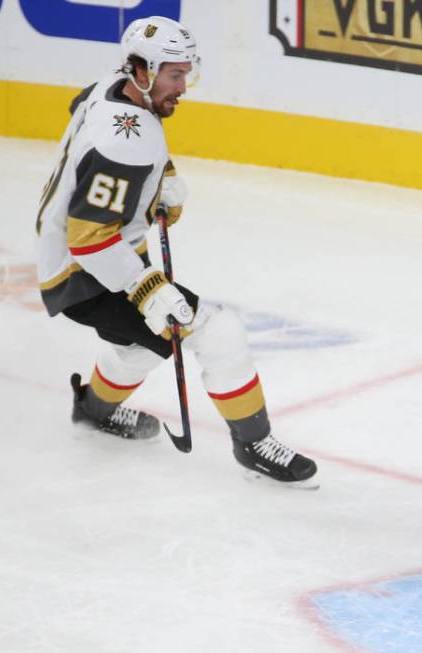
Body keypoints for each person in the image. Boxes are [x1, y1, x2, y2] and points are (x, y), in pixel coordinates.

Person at [34, 16, 317, 487]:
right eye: (174, 74)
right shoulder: (123, 143)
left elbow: (80, 108)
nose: (183, 86)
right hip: (86, 271)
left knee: (138, 346)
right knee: (216, 330)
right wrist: (148, 290)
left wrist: (158, 179)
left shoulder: (109, 86)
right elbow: (90, 238)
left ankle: (93, 409)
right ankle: (254, 443)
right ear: (142, 72)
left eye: (186, 73)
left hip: (75, 260)